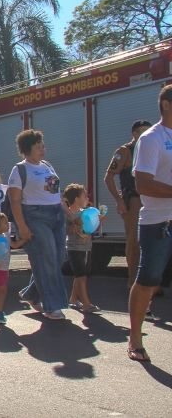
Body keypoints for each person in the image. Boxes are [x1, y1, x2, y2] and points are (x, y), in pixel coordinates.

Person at [127, 85, 172, 361]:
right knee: (148, 281)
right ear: (166, 105)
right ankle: (135, 338)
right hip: (159, 223)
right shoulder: (152, 138)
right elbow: (143, 184)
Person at [8, 129, 68, 320]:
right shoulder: (20, 170)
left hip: (56, 214)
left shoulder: (47, 166)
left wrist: (70, 214)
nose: (42, 150)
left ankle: (31, 294)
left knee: (59, 258)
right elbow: (14, 200)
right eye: (37, 147)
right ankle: (51, 306)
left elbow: (56, 193)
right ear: (27, 150)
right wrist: (22, 227)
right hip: (35, 217)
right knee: (47, 258)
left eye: (43, 146)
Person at [104, 120, 152, 288]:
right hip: (134, 201)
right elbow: (109, 177)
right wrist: (119, 201)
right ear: (135, 134)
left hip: (153, 201)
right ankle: (134, 283)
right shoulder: (125, 151)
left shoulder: (152, 151)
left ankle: (151, 283)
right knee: (134, 243)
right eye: (144, 131)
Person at [63, 184, 102, 313]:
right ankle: (86, 303)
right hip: (74, 248)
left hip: (86, 247)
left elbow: (88, 230)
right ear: (77, 199)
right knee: (82, 276)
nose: (87, 198)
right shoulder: (69, 214)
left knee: (80, 275)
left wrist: (99, 222)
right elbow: (65, 232)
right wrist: (74, 224)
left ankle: (73, 299)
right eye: (85, 196)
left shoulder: (84, 213)